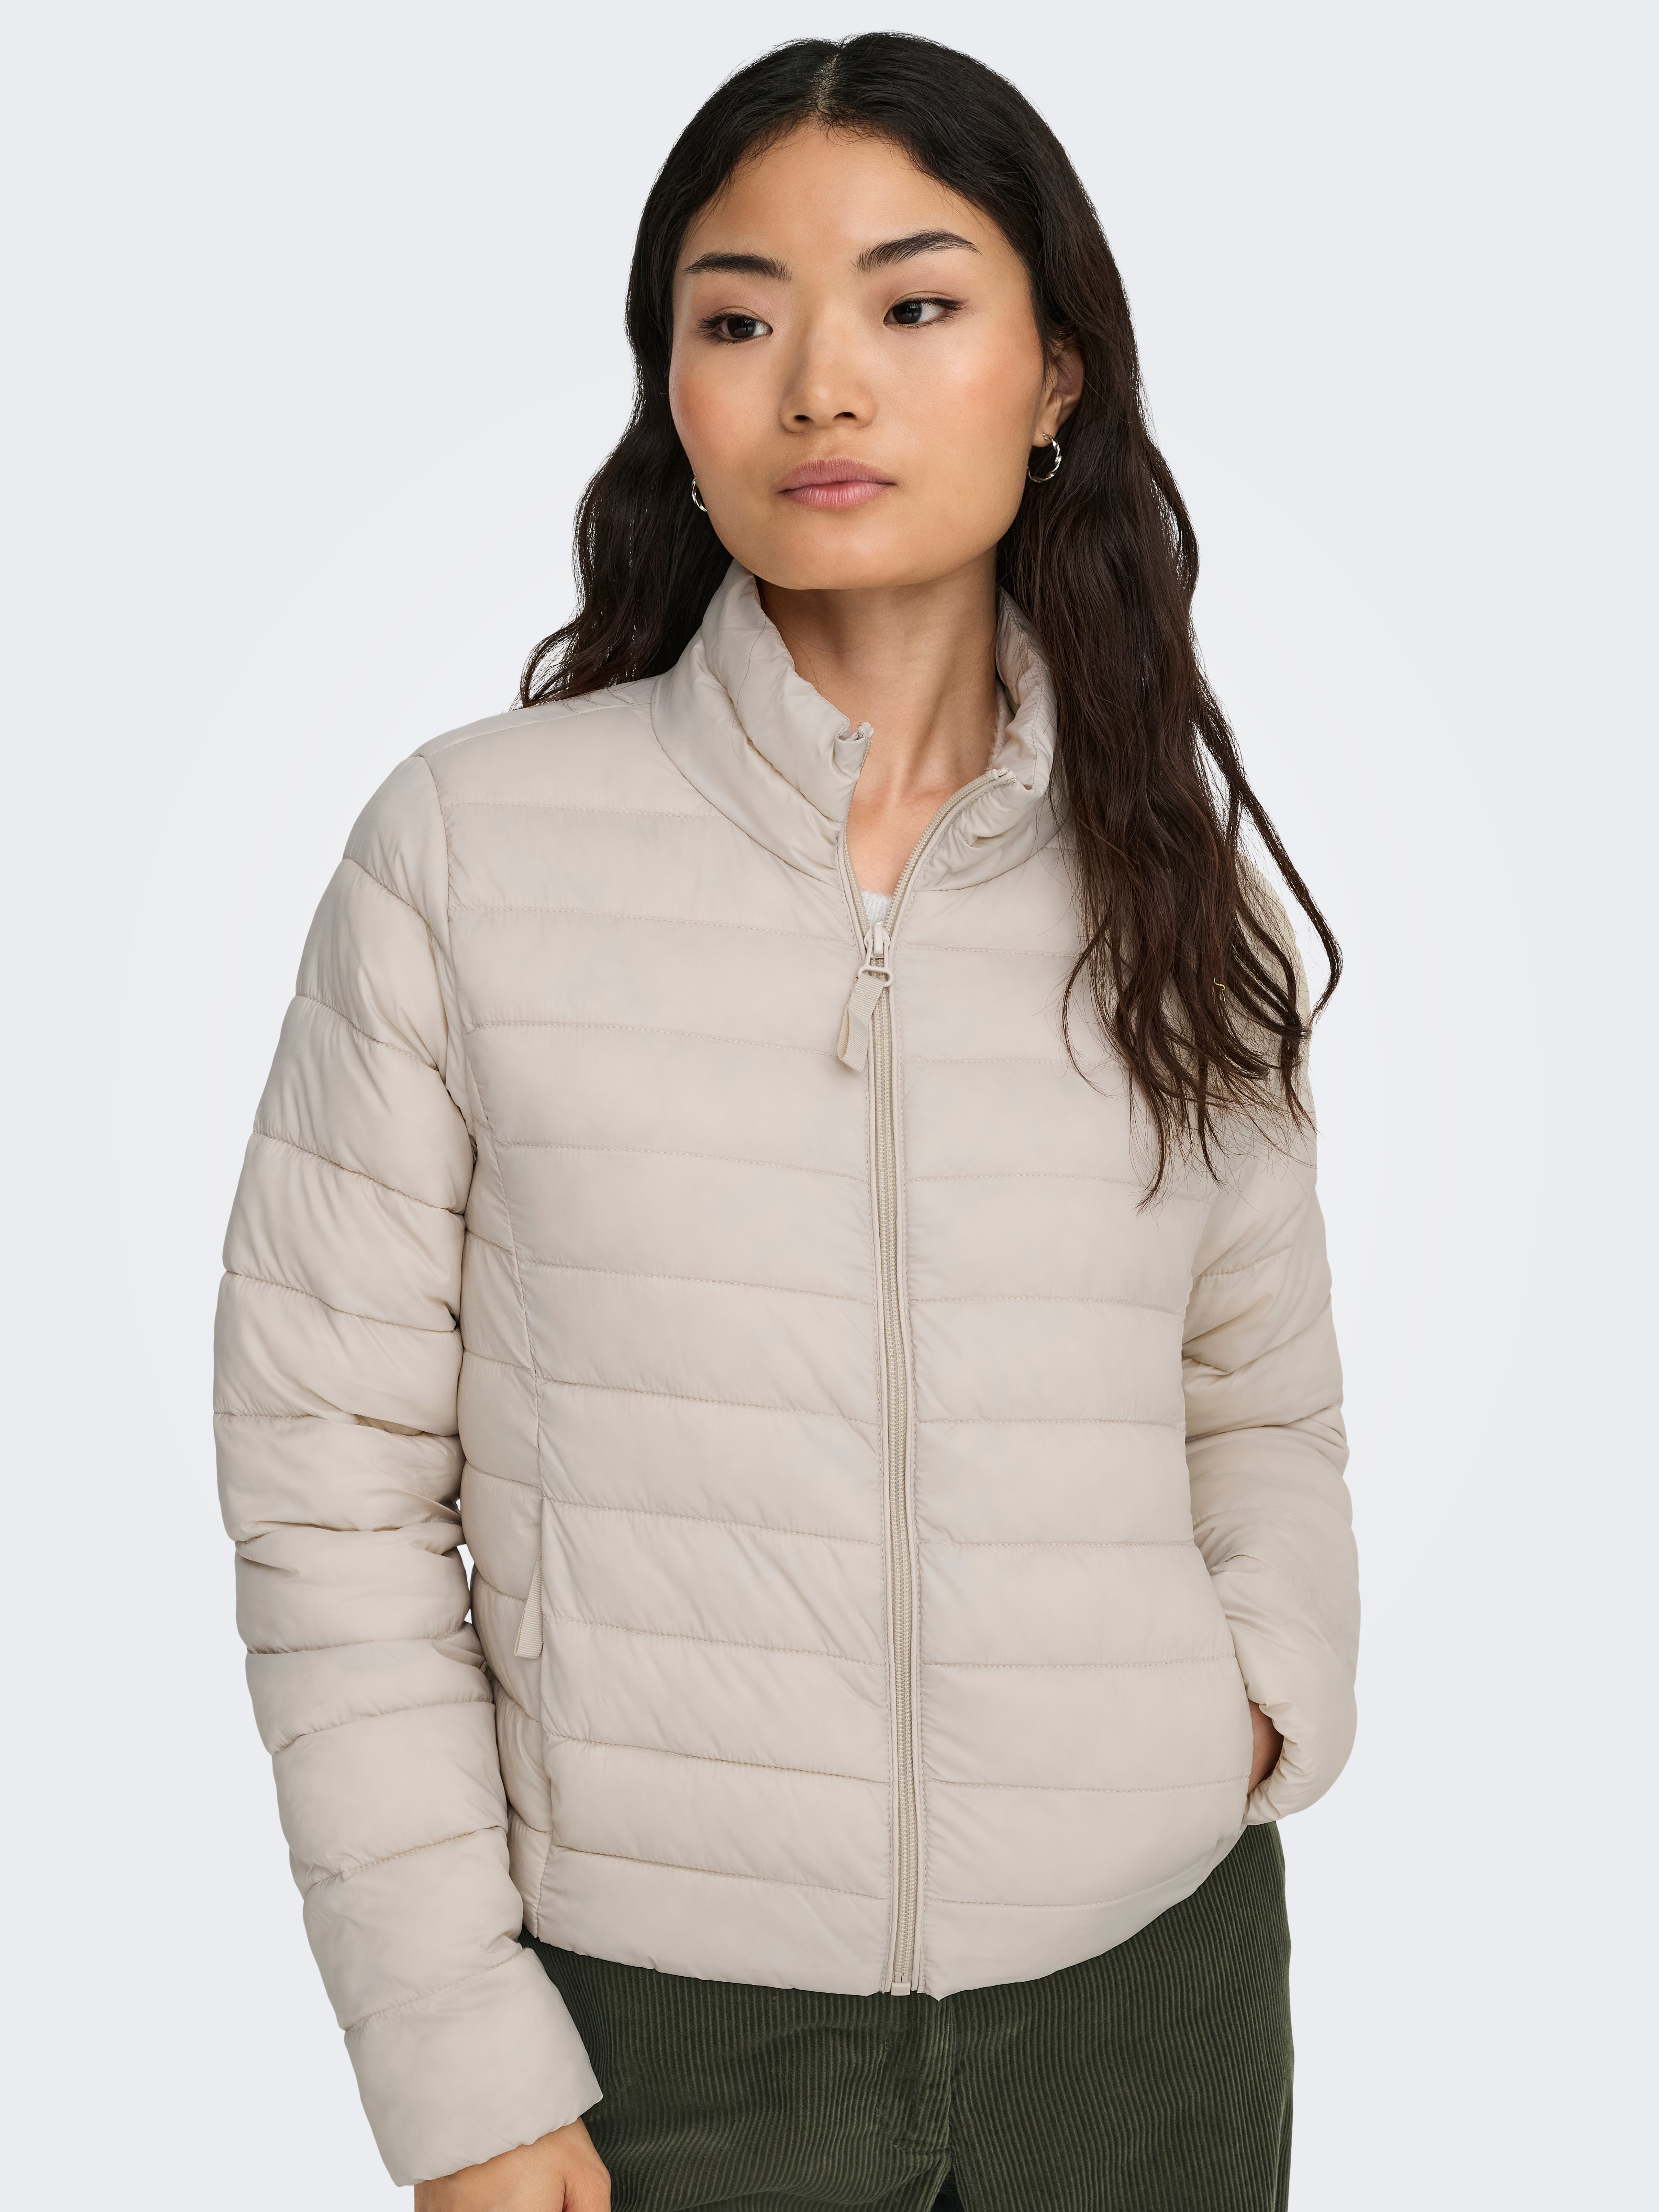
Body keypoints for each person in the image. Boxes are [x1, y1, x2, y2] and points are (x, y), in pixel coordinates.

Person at [214, 32, 1359, 2212]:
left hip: (1152, 2012)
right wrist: (459, 2060)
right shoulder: (469, 853)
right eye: (739, 320)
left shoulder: (1167, 879)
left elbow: (1258, 1402)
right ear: (676, 392)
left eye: (915, 304)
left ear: (1055, 375)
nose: (823, 385)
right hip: (657, 2035)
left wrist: (1245, 1707)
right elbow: (329, 1483)